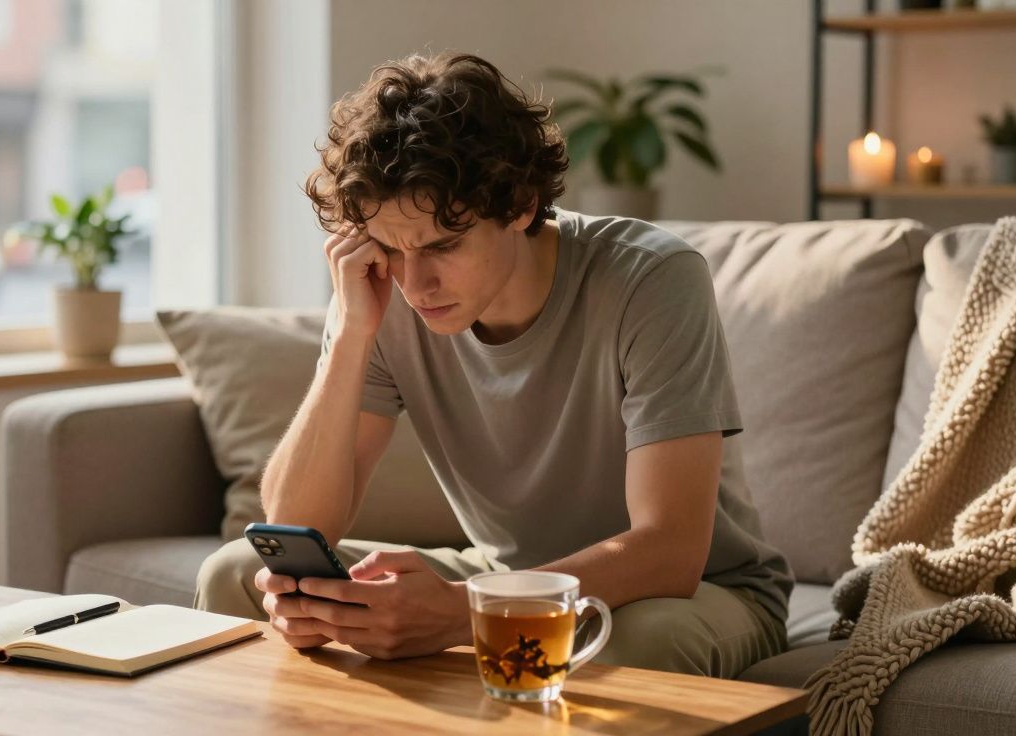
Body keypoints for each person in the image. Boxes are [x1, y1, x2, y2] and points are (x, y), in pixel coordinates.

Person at [194, 52, 791, 678]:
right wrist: (348, 336)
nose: (415, 283)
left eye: (442, 246)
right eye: (393, 251)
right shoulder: (383, 296)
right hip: (505, 573)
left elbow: (670, 551)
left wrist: (459, 613)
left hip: (696, 594)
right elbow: (296, 531)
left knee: (629, 645)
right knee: (235, 574)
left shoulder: (651, 279)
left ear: (522, 205)